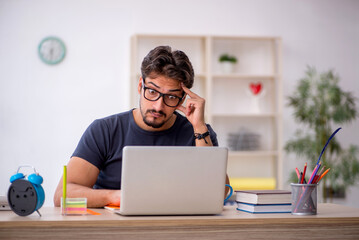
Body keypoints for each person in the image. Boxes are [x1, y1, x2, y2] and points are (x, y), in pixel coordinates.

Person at [54, 46, 229, 207]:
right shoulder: (104, 130)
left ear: (182, 99)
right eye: (152, 92)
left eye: (171, 97)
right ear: (140, 86)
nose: (158, 106)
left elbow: (218, 194)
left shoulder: (200, 133)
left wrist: (198, 126)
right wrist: (114, 197)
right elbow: (62, 196)